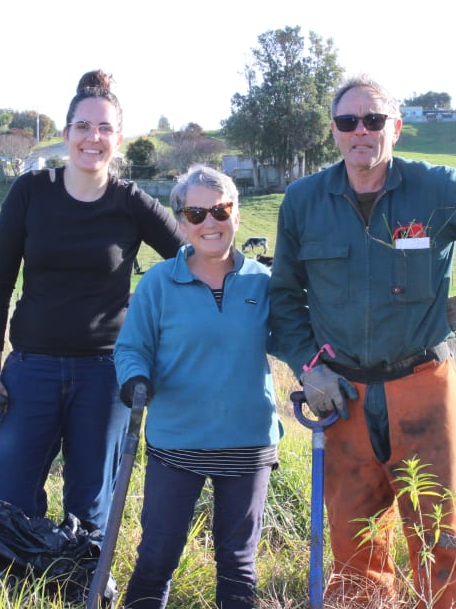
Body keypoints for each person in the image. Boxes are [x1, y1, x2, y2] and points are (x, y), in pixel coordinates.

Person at [269, 74, 456, 609]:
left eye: (373, 120)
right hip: (341, 395)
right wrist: (308, 367)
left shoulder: (435, 189)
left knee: (442, 538)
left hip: (422, 388)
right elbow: (283, 297)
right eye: (348, 122)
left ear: (397, 128)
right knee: (353, 547)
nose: (360, 131)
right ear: (334, 132)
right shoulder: (303, 202)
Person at [0, 70, 186, 533]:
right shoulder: (30, 193)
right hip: (31, 370)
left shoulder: (131, 203)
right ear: (66, 133)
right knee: (9, 503)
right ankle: (15, 591)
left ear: (119, 139)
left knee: (90, 509)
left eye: (105, 128)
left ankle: (79, 590)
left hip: (105, 374)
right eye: (84, 127)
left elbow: (189, 259)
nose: (94, 137)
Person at [114, 165, 281, 609]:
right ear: (182, 223)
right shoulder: (158, 284)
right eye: (196, 213)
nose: (210, 222)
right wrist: (134, 379)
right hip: (177, 442)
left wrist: (318, 371)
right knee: (156, 556)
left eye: (221, 210)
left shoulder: (263, 283)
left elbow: (294, 340)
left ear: (237, 216)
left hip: (247, 441)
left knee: (238, 563)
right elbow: (131, 348)